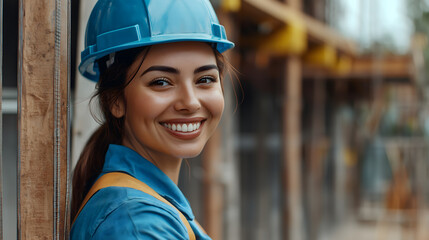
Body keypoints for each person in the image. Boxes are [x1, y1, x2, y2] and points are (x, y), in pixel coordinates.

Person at [70, 0, 234, 239]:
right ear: (116, 100)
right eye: (161, 82)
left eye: (205, 79)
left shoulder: (145, 207)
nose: (190, 102)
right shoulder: (137, 224)